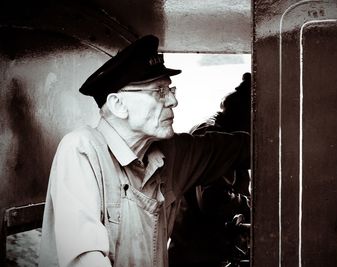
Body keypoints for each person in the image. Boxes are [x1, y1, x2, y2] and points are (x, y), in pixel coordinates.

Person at [38, 35, 249, 267]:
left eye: (170, 89)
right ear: (119, 105)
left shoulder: (171, 154)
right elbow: (86, 260)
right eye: (159, 91)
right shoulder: (81, 150)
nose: (173, 101)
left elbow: (237, 148)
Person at [168, 73, 252, 267]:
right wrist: (254, 209)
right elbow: (213, 199)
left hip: (196, 250)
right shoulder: (217, 137)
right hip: (199, 255)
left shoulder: (212, 128)